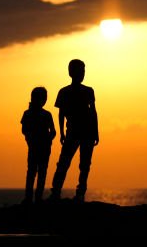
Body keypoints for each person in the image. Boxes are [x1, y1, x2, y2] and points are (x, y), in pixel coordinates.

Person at [50, 59, 99, 201]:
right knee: (64, 162)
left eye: (84, 70)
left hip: (87, 132)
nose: (82, 73)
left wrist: (96, 132)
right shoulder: (64, 92)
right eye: (80, 70)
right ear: (71, 72)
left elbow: (93, 112)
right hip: (72, 131)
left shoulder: (89, 90)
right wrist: (61, 132)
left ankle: (80, 193)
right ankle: (56, 191)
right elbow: (60, 113)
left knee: (84, 164)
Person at [20, 86, 56, 204]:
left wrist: (48, 140)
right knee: (33, 172)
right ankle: (30, 198)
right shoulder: (28, 114)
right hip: (35, 147)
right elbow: (24, 130)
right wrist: (31, 139)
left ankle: (37, 198)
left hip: (44, 148)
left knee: (40, 172)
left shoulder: (47, 114)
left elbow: (53, 131)